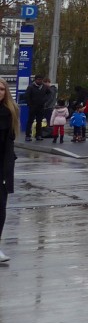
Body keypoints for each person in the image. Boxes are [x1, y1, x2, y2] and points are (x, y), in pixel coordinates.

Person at [1, 78, 18, 263]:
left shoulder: (10, 113)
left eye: (2, 89)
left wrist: (7, 172)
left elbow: (9, 145)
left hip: (2, 167)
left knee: (0, 209)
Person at [23, 75, 47, 141]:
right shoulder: (31, 87)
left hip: (41, 107)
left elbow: (49, 94)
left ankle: (38, 135)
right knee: (30, 121)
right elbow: (26, 96)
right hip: (33, 107)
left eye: (41, 79)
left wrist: (44, 100)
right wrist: (30, 104)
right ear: (35, 80)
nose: (40, 81)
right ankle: (28, 135)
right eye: (38, 79)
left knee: (39, 121)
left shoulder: (44, 87)